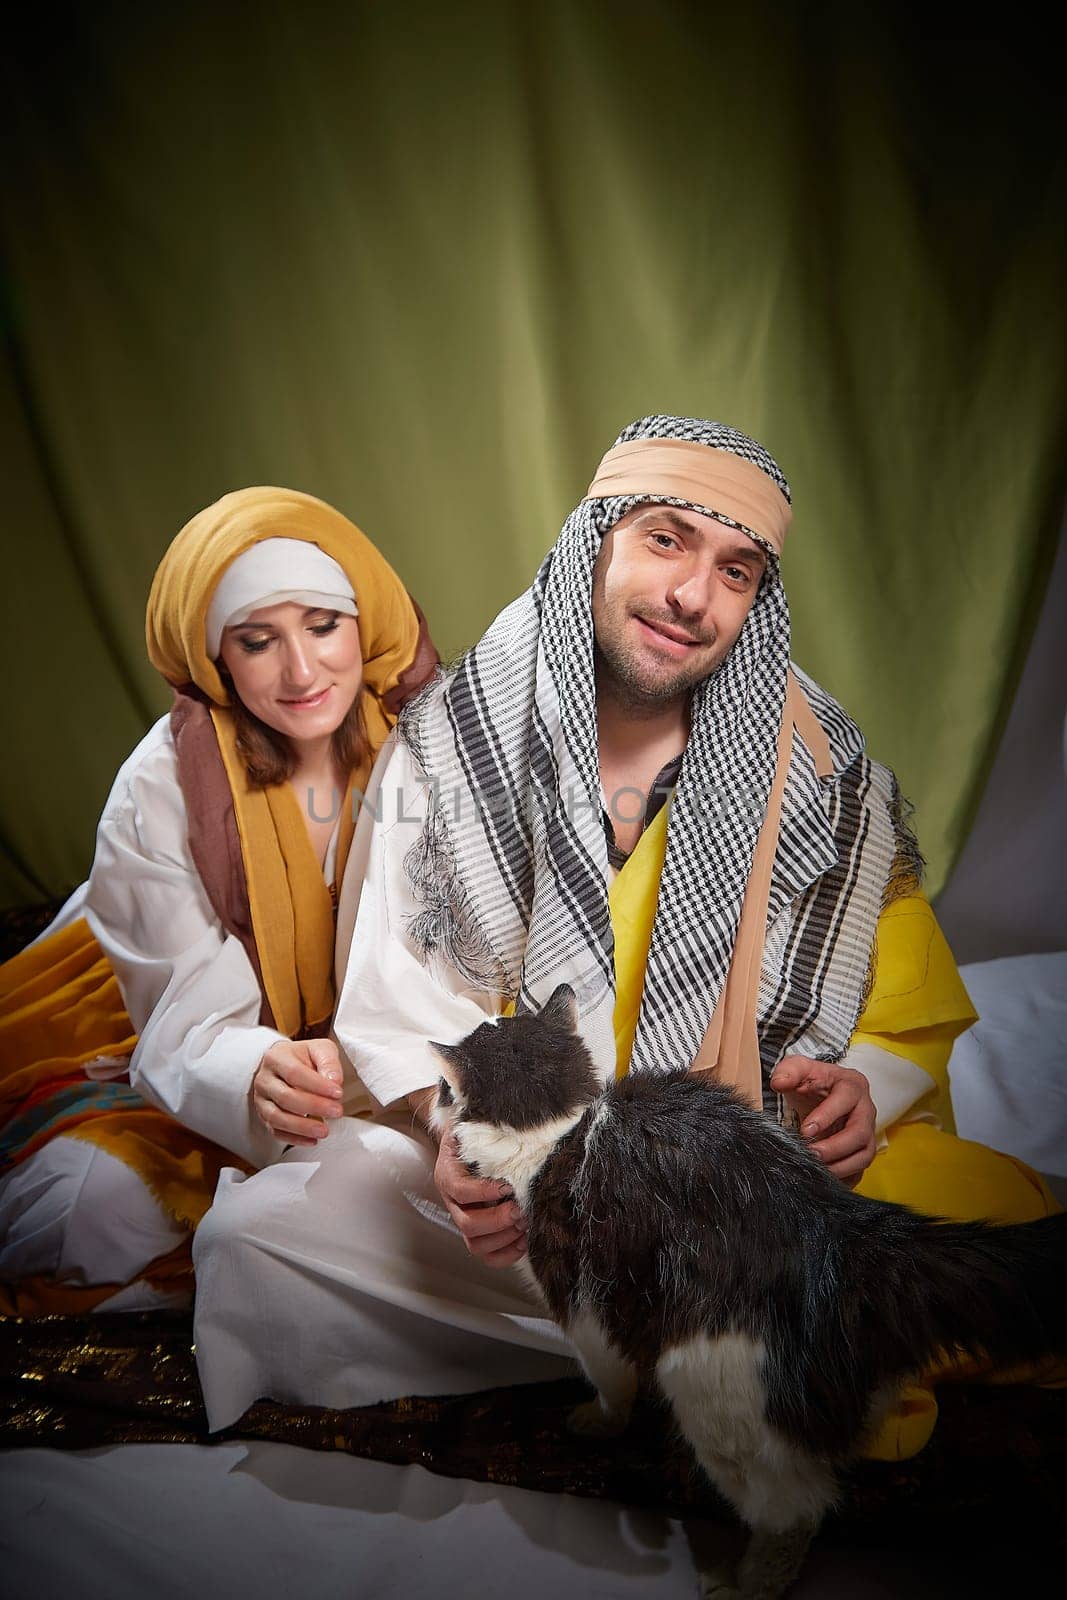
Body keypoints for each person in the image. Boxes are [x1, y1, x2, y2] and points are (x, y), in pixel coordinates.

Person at [192, 418, 1059, 1456]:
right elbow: (394, 1000)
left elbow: (891, 963)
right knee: (257, 1240)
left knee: (975, 1238)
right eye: (664, 539)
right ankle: (718, 1343)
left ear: (753, 599)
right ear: (596, 540)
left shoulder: (812, 758)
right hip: (538, 1198)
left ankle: (693, 1338)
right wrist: (456, 1148)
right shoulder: (447, 742)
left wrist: (863, 1083)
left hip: (754, 1171)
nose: (692, 594)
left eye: (733, 570)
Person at [0, 486, 437, 1313]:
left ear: (362, 624)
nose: (302, 671)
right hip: (174, 1031)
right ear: (216, 660)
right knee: (83, 1216)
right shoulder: (161, 786)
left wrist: (383, 1056)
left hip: (379, 1051)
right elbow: (179, 1003)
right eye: (258, 640)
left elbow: (464, 942)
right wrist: (251, 1073)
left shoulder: (427, 746)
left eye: (321, 626)